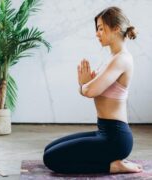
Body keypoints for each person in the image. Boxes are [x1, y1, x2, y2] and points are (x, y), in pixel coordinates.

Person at [43, 6, 143, 174]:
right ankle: (111, 161)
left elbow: (90, 91)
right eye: (97, 29)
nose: (97, 33)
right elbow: (90, 88)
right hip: (104, 131)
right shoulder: (112, 59)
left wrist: (83, 85)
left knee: (51, 159)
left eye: (101, 29)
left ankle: (112, 166)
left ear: (116, 29)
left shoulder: (122, 59)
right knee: (48, 149)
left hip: (115, 138)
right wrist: (86, 85)